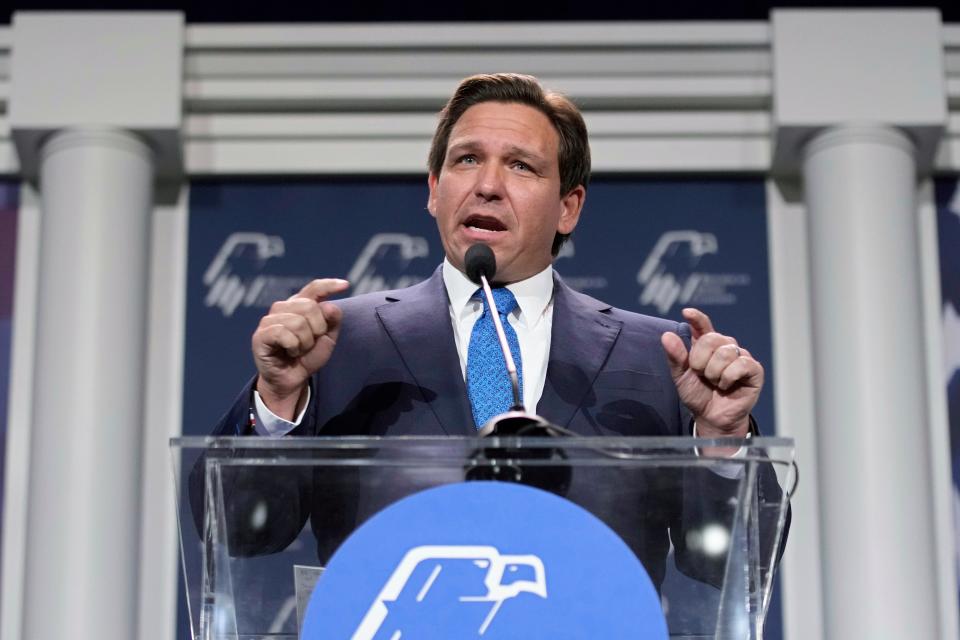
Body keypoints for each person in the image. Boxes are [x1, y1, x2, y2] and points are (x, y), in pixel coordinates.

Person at [199, 73, 780, 588]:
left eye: (521, 165)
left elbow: (738, 566)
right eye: (466, 160)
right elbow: (239, 534)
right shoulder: (339, 341)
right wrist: (276, 399)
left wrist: (723, 440)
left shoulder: (659, 356)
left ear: (568, 208)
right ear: (434, 190)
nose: (487, 185)